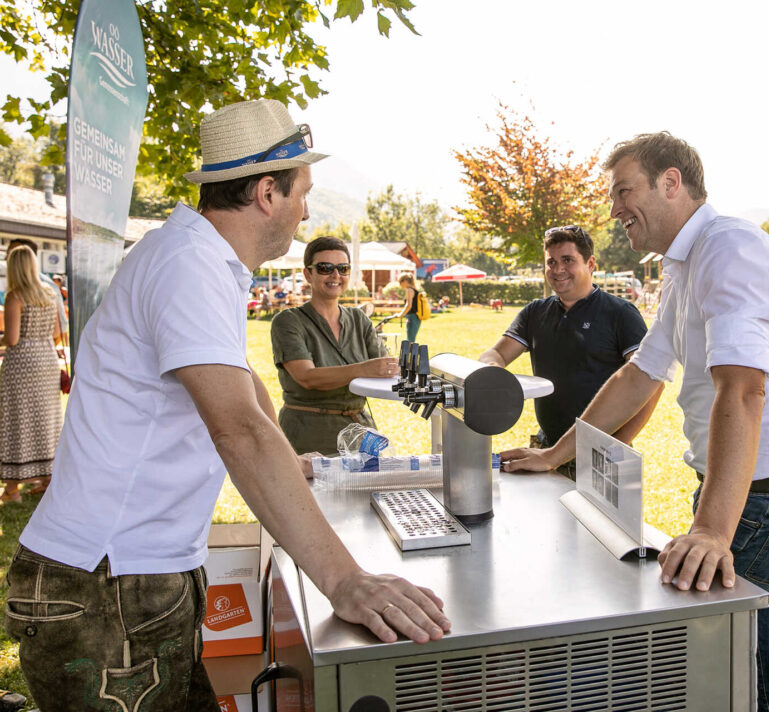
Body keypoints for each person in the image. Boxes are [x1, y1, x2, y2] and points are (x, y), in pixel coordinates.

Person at [5, 99, 449, 711]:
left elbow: (244, 389)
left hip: (135, 579)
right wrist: (345, 581)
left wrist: (293, 465)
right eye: (302, 192)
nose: (307, 211)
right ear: (267, 192)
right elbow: (237, 428)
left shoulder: (201, 258)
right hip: (107, 583)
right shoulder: (189, 263)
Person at [503, 132, 769, 712]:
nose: (612, 209)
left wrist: (710, 531)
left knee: (674, 657)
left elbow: (744, 388)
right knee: (756, 668)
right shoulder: (685, 264)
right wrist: (557, 453)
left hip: (767, 504)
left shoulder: (729, 250)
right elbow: (640, 374)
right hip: (748, 497)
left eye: (623, 190)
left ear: (671, 183)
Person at [479, 225, 661, 478]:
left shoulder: (620, 314)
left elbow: (652, 382)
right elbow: (495, 354)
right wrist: (492, 369)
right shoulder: (535, 312)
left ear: (590, 263)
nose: (557, 269)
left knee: (595, 521)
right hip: (546, 448)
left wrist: (619, 442)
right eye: (551, 262)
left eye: (568, 260)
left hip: (602, 454)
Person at [271, 236, 399, 455]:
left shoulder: (359, 319)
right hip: (309, 433)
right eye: (325, 268)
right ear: (307, 274)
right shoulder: (288, 321)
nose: (335, 275)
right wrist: (363, 369)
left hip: (360, 431)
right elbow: (307, 377)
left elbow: (386, 368)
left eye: (343, 268)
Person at [0, 246, 63, 502]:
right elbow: (59, 332)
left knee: (17, 420)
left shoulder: (15, 297)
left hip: (21, 365)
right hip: (46, 361)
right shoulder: (50, 293)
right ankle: (47, 479)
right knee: (45, 418)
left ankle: (12, 488)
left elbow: (12, 338)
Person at [5, 238, 68, 339]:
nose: (6, 258)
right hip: (46, 351)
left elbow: (61, 325)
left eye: (12, 254)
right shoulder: (47, 289)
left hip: (24, 352)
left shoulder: (15, 295)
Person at [397, 271, 422, 342]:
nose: (400, 285)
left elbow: (409, 305)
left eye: (400, 282)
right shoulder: (415, 289)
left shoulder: (409, 290)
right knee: (411, 339)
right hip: (416, 317)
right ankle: (411, 352)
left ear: (405, 281)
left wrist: (401, 315)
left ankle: (410, 353)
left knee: (410, 340)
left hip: (412, 317)